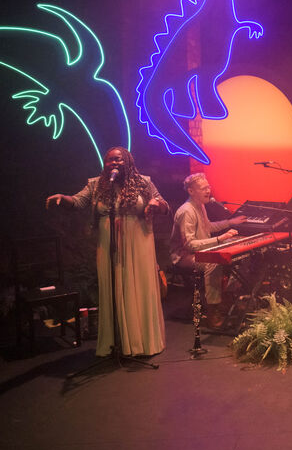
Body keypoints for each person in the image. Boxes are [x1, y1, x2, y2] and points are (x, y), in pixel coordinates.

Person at [46, 147, 168, 357]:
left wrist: (155, 203)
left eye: (118, 159)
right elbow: (78, 201)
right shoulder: (97, 184)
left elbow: (164, 205)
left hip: (139, 242)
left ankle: (141, 341)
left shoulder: (144, 182)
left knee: (138, 287)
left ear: (128, 161)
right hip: (108, 243)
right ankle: (117, 341)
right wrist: (63, 198)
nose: (114, 163)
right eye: (110, 160)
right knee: (113, 287)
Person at [169, 173, 246, 328]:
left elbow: (208, 227)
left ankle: (228, 298)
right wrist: (219, 239)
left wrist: (230, 222)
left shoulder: (200, 206)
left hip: (202, 251)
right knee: (213, 263)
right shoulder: (187, 211)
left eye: (208, 187)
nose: (208, 191)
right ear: (191, 191)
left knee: (240, 252)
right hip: (184, 256)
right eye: (203, 188)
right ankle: (213, 310)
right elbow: (190, 245)